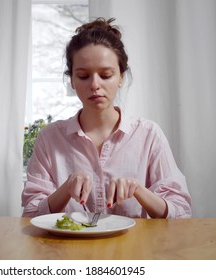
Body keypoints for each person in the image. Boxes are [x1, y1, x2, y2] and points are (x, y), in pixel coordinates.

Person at [22, 18, 191, 219]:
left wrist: (138, 189)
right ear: (72, 81)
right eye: (84, 76)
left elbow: (180, 212)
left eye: (106, 75)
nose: (94, 84)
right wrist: (66, 189)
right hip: (68, 250)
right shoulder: (50, 138)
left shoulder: (148, 135)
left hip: (136, 250)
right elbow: (30, 214)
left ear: (121, 77)